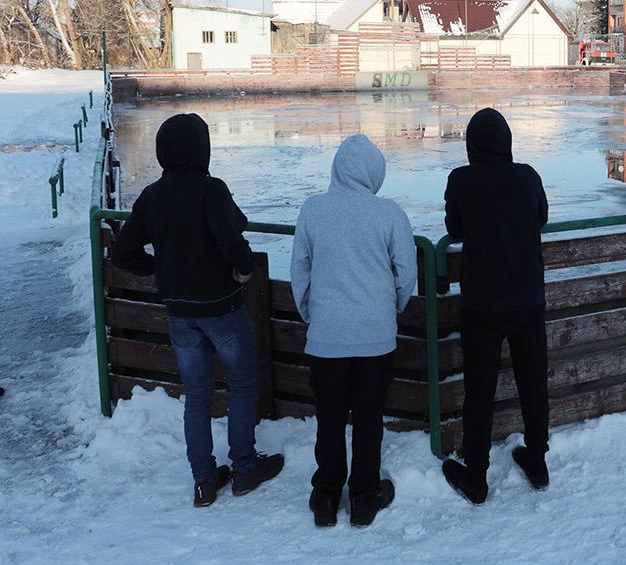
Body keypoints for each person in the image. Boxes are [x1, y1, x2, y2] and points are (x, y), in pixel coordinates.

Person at [110, 113, 283, 508]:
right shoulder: (211, 190)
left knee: (198, 394)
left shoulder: (151, 196)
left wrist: (158, 269)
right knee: (242, 383)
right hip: (222, 309)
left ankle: (204, 481)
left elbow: (122, 253)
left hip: (179, 314)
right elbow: (234, 239)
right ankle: (244, 468)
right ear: (202, 148)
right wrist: (243, 270)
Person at [290, 134, 417, 528]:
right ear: (375, 173)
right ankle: (364, 497)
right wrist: (391, 310)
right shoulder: (390, 213)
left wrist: (312, 315)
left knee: (329, 420)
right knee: (368, 419)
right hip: (376, 338)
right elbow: (406, 273)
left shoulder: (313, 210)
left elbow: (300, 272)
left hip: (326, 338)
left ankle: (326, 497)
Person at [442, 108, 551, 504]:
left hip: (482, 306)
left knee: (479, 392)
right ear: (507, 141)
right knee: (533, 384)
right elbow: (541, 218)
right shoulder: (528, 177)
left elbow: (454, 228)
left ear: (471, 144)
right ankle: (537, 461)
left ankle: (476, 476)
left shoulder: (461, 180)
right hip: (527, 300)